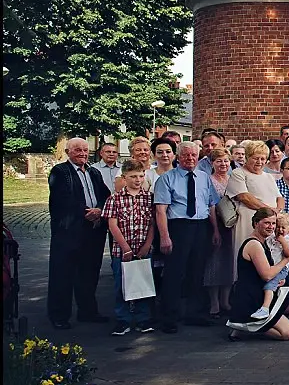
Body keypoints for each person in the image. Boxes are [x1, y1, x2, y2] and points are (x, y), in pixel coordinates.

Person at [153, 142, 221, 333]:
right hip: (178, 227)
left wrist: (215, 230)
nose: (190, 159)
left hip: (200, 227)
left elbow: (211, 206)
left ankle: (195, 314)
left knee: (197, 271)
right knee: (174, 273)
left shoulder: (204, 177)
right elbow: (160, 210)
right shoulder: (167, 179)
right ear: (178, 156)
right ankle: (169, 318)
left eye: (194, 155)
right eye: (186, 155)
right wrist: (165, 237)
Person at [48, 137, 114, 329]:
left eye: (85, 150)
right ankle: (59, 316)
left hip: (93, 232)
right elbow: (63, 199)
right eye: (78, 150)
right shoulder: (60, 171)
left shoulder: (93, 172)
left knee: (89, 273)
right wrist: (88, 212)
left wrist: (100, 210)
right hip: (68, 232)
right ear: (68, 152)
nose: (83, 154)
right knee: (63, 274)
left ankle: (88, 312)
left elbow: (105, 195)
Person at [226, 208, 289, 341]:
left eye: (273, 223)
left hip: (263, 290)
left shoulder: (266, 242)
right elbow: (267, 275)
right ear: (256, 223)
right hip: (251, 297)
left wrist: (280, 278)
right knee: (287, 333)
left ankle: (265, 318)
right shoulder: (254, 244)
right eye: (267, 223)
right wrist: (286, 260)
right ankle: (244, 325)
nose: (271, 227)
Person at [102, 159, 156, 335]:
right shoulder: (115, 199)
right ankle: (123, 320)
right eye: (133, 176)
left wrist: (147, 245)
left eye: (141, 176)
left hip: (143, 249)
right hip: (122, 251)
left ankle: (143, 318)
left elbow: (153, 224)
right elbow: (113, 225)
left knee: (143, 283)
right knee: (121, 285)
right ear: (124, 178)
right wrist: (125, 248)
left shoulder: (149, 198)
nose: (138, 180)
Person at [227, 141, 284, 272]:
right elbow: (245, 197)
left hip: (269, 221)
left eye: (263, 158)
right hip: (248, 220)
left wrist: (277, 210)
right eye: (255, 158)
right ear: (247, 157)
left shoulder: (268, 177)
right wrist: (269, 210)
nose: (259, 162)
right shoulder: (239, 173)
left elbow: (279, 197)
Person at [204, 148, 236, 318]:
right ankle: (214, 302)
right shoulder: (208, 180)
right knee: (214, 263)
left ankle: (226, 300)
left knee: (229, 263)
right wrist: (215, 230)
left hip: (232, 226)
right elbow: (210, 206)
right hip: (215, 225)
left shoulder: (233, 179)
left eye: (225, 161)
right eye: (219, 161)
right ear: (212, 163)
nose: (223, 164)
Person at [252, 212, 289, 320]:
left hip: (281, 269)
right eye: (278, 227)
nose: (280, 230)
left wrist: (283, 242)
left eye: (283, 228)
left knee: (269, 285)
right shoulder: (271, 237)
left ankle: (265, 308)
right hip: (270, 267)